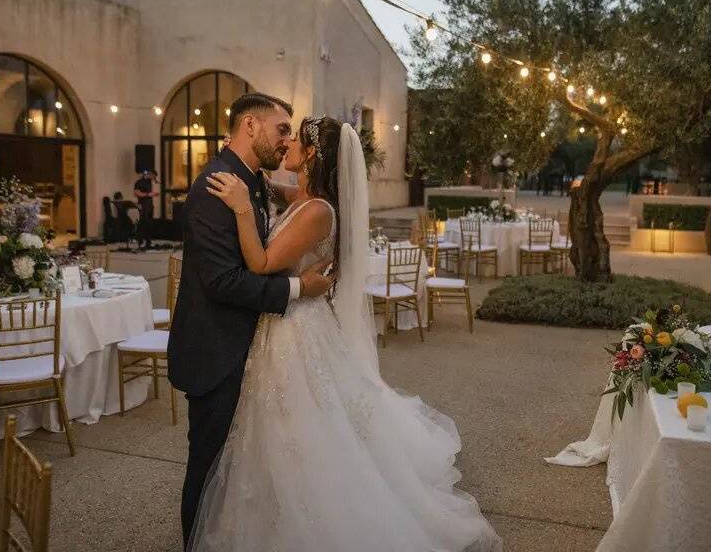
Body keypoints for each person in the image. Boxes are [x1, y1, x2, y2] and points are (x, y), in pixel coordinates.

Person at [189, 116, 501, 551]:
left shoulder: (317, 211)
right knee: (278, 435)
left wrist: (243, 206)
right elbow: (278, 192)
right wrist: (250, 171)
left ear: (313, 154)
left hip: (295, 332)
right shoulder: (304, 198)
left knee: (296, 435)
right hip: (286, 324)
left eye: (296, 137)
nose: (288, 143)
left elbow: (261, 264)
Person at [166, 93, 335, 549]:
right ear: (250, 126)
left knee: (242, 465)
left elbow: (304, 205)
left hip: (255, 348)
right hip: (216, 350)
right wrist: (301, 288)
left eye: (293, 135)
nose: (287, 140)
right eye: (282, 129)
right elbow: (224, 282)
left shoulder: (254, 181)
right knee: (208, 465)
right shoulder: (214, 189)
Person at [133, 170, 158, 249]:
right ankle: (140, 240)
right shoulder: (139, 182)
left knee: (149, 223)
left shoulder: (149, 182)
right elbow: (136, 193)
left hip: (150, 205)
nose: (153, 178)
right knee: (143, 222)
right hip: (143, 205)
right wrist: (148, 194)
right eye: (153, 176)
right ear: (150, 174)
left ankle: (148, 241)